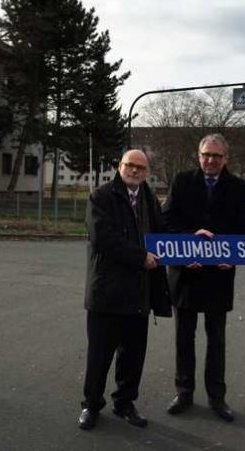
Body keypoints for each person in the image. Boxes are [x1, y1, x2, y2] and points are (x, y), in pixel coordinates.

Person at [78, 149, 171, 430]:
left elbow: (162, 233)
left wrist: (192, 243)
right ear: (119, 166)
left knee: (133, 355)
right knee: (99, 355)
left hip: (138, 293)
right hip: (106, 293)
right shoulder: (101, 197)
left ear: (147, 172)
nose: (135, 171)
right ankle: (91, 405)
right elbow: (103, 238)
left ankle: (125, 402)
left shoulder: (148, 198)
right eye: (130, 165)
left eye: (141, 168)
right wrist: (140, 257)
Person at [162, 133, 245, 422]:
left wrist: (233, 257)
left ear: (226, 158)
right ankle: (184, 391)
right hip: (186, 273)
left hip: (219, 276)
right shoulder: (181, 181)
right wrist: (190, 239)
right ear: (198, 156)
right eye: (206, 155)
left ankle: (217, 397)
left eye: (216, 156)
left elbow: (242, 230)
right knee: (183, 338)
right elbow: (166, 221)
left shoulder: (238, 187)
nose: (211, 160)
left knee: (217, 340)